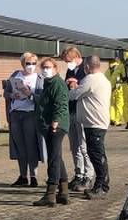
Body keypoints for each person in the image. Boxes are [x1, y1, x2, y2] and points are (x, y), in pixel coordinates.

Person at [68, 55, 112, 198]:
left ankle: (102, 186)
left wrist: (73, 86)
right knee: (96, 154)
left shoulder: (90, 79)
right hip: (96, 122)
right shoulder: (102, 78)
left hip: (94, 123)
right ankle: (100, 184)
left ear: (87, 67)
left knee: (97, 155)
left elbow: (74, 95)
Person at [33, 57, 70, 207]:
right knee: (57, 157)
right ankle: (64, 192)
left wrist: (55, 122)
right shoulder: (48, 83)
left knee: (53, 159)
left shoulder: (57, 84)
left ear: (55, 68)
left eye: (48, 67)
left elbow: (60, 104)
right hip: (49, 125)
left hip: (56, 126)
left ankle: (50, 194)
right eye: (43, 67)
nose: (45, 70)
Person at [4, 52, 44, 187]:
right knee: (20, 146)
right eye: (28, 63)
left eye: (33, 63)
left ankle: (33, 176)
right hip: (16, 114)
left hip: (30, 114)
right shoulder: (16, 75)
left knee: (31, 145)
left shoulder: (39, 78)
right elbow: (6, 92)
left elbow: (42, 98)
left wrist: (30, 94)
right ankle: (22, 176)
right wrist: (11, 94)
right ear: (23, 64)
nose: (31, 66)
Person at [62, 47, 95, 191]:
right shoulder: (70, 70)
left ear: (75, 57)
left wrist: (76, 84)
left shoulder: (85, 69)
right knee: (74, 146)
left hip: (81, 111)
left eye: (68, 61)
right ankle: (78, 174)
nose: (67, 64)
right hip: (71, 110)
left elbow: (86, 88)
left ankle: (88, 175)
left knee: (83, 146)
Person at [106, 57, 126, 126]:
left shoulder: (108, 70)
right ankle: (117, 120)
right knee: (119, 105)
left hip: (111, 90)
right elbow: (123, 77)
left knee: (112, 105)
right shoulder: (119, 68)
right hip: (118, 89)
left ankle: (112, 119)